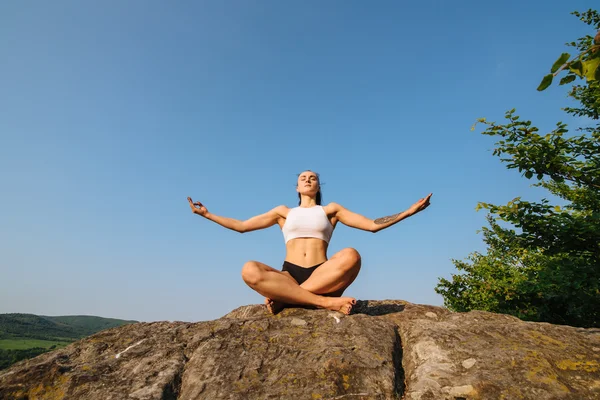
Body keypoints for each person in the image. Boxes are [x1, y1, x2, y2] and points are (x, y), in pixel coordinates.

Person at [187, 170, 432, 315]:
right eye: (303, 177)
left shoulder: (331, 210)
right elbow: (241, 226)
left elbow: (370, 225)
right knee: (249, 269)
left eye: (312, 178)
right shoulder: (282, 212)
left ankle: (287, 298)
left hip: (322, 274)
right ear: (297, 186)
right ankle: (322, 302)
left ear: (317, 186)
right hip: (289, 275)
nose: (307, 179)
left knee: (352, 255)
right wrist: (207, 215)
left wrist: (408, 212)